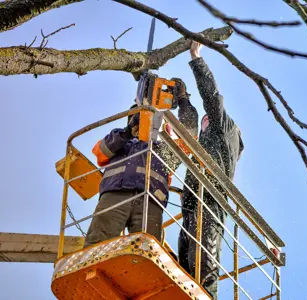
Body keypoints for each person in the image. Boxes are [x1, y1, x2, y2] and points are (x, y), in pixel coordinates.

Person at [84, 78, 198, 248]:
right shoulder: (120, 140)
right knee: (98, 245)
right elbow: (101, 151)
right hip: (116, 194)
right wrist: (128, 132)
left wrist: (183, 99)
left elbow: (190, 135)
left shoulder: (164, 150)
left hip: (150, 199)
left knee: (146, 250)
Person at [178, 41, 244, 299]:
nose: (203, 122)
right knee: (182, 266)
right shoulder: (208, 145)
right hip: (193, 205)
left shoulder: (224, 128)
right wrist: (182, 100)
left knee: (204, 267)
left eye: (206, 120)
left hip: (211, 202)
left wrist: (196, 59)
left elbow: (212, 98)